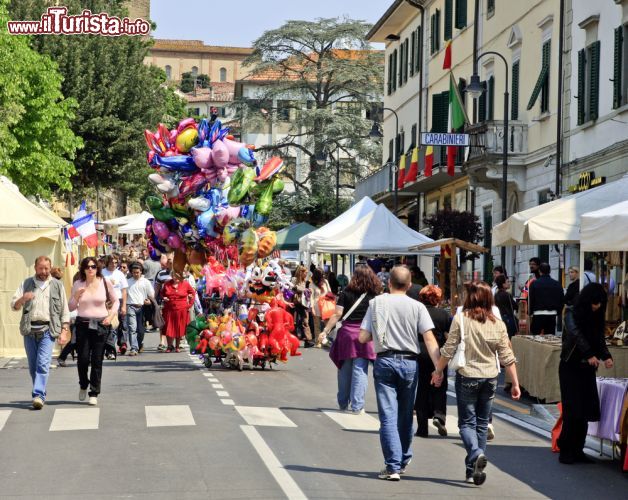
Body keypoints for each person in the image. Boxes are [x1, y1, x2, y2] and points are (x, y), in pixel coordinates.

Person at [433, 282, 521, 485]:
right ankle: (472, 469)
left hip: (468, 376)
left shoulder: (462, 320)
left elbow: (448, 349)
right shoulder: (498, 324)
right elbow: (507, 356)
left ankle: (475, 453)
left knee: (466, 423)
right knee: (482, 423)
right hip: (490, 378)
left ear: (470, 299)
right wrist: (515, 383)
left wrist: (438, 370)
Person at [359, 266, 441, 481]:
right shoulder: (417, 306)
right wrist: (438, 368)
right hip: (409, 363)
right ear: (410, 283)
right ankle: (403, 458)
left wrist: (377, 334)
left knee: (387, 416)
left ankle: (392, 466)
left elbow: (362, 337)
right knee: (405, 414)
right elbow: (429, 338)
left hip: (385, 361)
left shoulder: (376, 304)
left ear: (389, 283)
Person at [558, 283, 613, 464]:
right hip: (571, 367)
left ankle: (578, 449)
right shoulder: (571, 312)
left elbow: (599, 338)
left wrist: (606, 356)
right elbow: (575, 334)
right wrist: (589, 354)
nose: (597, 307)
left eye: (600, 304)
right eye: (594, 303)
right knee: (572, 410)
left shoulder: (595, 315)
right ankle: (566, 450)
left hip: (587, 369)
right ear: (587, 300)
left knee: (585, 411)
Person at [319, 266, 381, 414]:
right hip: (365, 335)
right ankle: (357, 405)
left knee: (344, 370)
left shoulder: (346, 293)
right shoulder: (375, 295)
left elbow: (337, 314)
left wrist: (325, 331)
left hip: (347, 335)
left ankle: (342, 402)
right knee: (360, 370)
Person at [11, 256, 70, 409]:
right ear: (35, 268)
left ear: (50, 268)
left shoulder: (57, 285)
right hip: (29, 330)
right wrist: (22, 299)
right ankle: (41, 390)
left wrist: (64, 330)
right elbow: (14, 306)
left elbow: (64, 310)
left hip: (48, 330)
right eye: (41, 268)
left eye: (46, 268)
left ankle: (38, 394)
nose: (44, 271)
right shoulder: (26, 284)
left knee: (42, 364)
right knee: (33, 367)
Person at [69, 257, 119, 406]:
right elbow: (71, 306)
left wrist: (110, 316)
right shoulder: (78, 284)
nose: (90, 269)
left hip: (101, 324)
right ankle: (83, 384)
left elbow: (116, 300)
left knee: (97, 360)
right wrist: (76, 296)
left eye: (93, 266)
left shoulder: (105, 282)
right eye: (87, 267)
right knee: (83, 359)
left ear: (97, 268)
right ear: (83, 269)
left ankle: (94, 392)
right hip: (83, 324)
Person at [413, 285, 451, 438]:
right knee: (439, 386)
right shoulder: (444, 314)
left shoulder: (417, 313)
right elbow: (449, 336)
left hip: (419, 353)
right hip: (438, 354)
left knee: (422, 388)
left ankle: (422, 428)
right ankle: (439, 415)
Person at [161, 271, 196, 352]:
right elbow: (162, 293)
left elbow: (193, 293)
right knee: (168, 327)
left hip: (182, 309)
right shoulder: (167, 284)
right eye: (174, 276)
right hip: (169, 309)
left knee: (179, 327)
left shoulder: (185, 284)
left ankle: (177, 346)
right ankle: (169, 346)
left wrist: (189, 305)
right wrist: (164, 298)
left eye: (177, 276)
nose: (175, 278)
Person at [125, 262, 155, 355]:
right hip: (130, 306)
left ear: (141, 272)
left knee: (141, 330)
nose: (136, 274)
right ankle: (134, 348)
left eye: (137, 272)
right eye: (134, 272)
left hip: (142, 308)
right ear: (131, 272)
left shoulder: (145, 282)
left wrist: (149, 301)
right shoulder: (128, 282)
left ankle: (139, 343)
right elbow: (124, 295)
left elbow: (151, 295)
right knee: (132, 328)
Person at [102, 255, 128, 356]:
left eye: (116, 262)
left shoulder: (120, 274)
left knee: (122, 324)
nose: (114, 264)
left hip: (119, 299)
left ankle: (122, 343)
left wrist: (124, 305)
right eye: (112, 262)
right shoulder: (102, 273)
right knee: (111, 326)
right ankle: (110, 348)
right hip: (107, 302)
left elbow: (124, 290)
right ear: (107, 262)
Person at [529, 263, 564, 335]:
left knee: (535, 337)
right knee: (550, 338)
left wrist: (530, 312)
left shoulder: (534, 284)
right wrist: (558, 311)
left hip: (538, 313)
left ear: (539, 271)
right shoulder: (557, 284)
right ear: (549, 271)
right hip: (552, 314)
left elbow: (531, 299)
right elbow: (561, 299)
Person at [154, 254, 173, 351]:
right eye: (169, 262)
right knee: (162, 322)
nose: (170, 263)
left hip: (176, 302)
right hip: (163, 301)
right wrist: (153, 300)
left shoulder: (181, 272)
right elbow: (156, 288)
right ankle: (162, 341)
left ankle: (175, 342)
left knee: (174, 322)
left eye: (172, 261)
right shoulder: (161, 274)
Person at [292, 265, 313, 348]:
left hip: (304, 304)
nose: (306, 274)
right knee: (297, 321)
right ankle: (305, 339)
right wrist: (301, 289)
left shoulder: (306, 281)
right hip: (296, 303)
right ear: (300, 272)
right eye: (305, 272)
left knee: (305, 321)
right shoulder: (294, 280)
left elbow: (309, 290)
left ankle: (307, 340)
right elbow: (292, 288)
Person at [310, 268, 331, 348]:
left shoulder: (325, 282)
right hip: (316, 305)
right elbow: (311, 297)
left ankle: (325, 340)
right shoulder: (312, 284)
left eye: (323, 274)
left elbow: (329, 292)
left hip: (325, 305)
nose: (323, 276)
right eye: (321, 274)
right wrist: (312, 308)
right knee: (317, 324)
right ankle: (318, 341)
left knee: (327, 324)